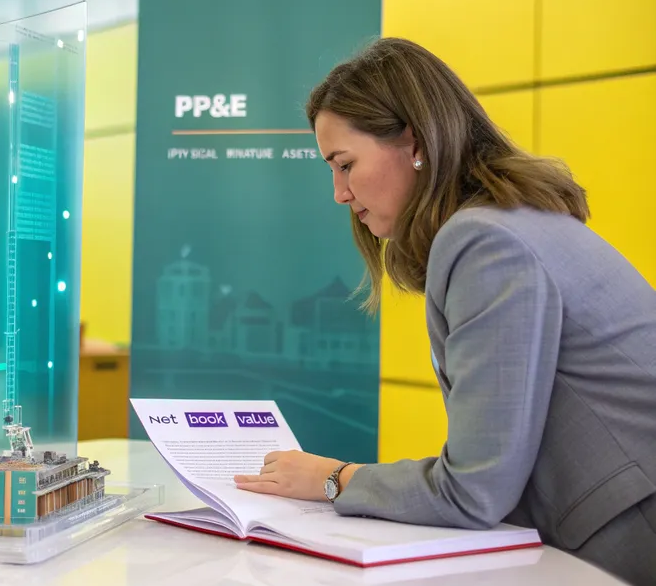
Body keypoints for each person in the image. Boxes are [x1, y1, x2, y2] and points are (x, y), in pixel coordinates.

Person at [233, 38, 656, 585]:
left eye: (345, 164)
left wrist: (333, 479)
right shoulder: (512, 219)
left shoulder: (485, 240)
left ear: (413, 140)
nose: (339, 193)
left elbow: (475, 489)